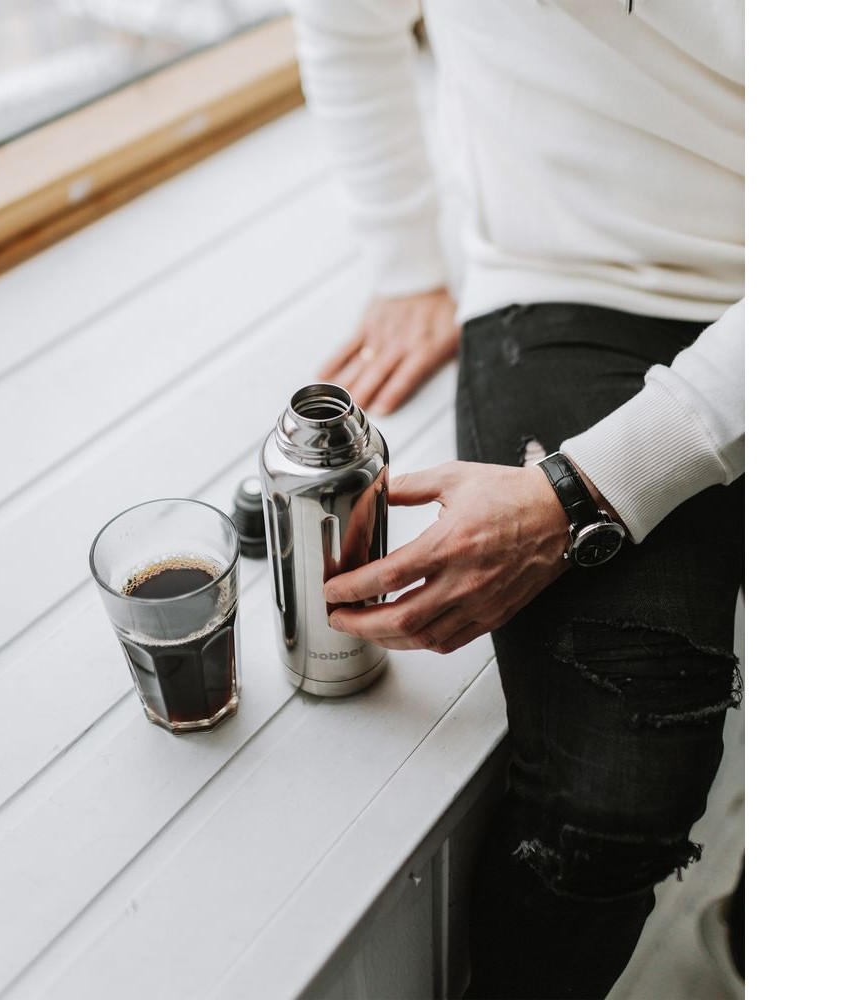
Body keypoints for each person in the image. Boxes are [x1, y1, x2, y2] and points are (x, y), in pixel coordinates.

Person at [289, 1, 744, 997]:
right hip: (575, 281)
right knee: (610, 799)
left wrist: (577, 495)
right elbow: (346, 19)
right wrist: (405, 262)